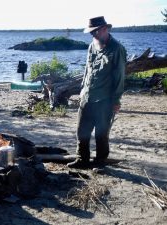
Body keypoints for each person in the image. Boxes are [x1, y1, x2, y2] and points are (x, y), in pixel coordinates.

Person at [67, 16, 127, 169]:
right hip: (87, 96)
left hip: (104, 99)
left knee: (101, 134)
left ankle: (100, 163)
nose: (93, 34)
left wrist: (116, 101)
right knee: (82, 132)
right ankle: (82, 159)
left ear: (105, 29)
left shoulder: (116, 49)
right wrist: (82, 90)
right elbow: (87, 70)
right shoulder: (92, 45)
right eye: (91, 32)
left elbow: (119, 76)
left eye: (95, 31)